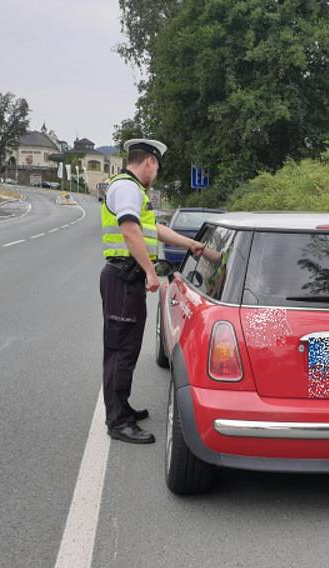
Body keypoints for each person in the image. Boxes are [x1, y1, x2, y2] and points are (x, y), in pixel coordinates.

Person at [100, 138, 205, 444]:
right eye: (156, 167)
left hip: (125, 280)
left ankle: (122, 407)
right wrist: (149, 271)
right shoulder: (126, 188)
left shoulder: (135, 191)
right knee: (120, 350)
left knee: (127, 348)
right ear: (149, 161)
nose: (156, 173)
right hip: (123, 276)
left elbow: (153, 229)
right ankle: (118, 421)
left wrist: (190, 244)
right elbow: (130, 231)